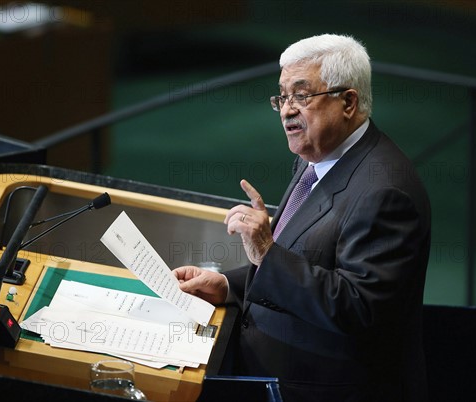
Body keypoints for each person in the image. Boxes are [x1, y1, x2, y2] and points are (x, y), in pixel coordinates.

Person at [173, 34, 431, 402]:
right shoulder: (316, 159)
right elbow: (306, 262)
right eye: (282, 96)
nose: (287, 110)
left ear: (348, 102)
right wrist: (229, 286)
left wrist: (265, 250)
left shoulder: (385, 192)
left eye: (302, 95)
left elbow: (359, 309)